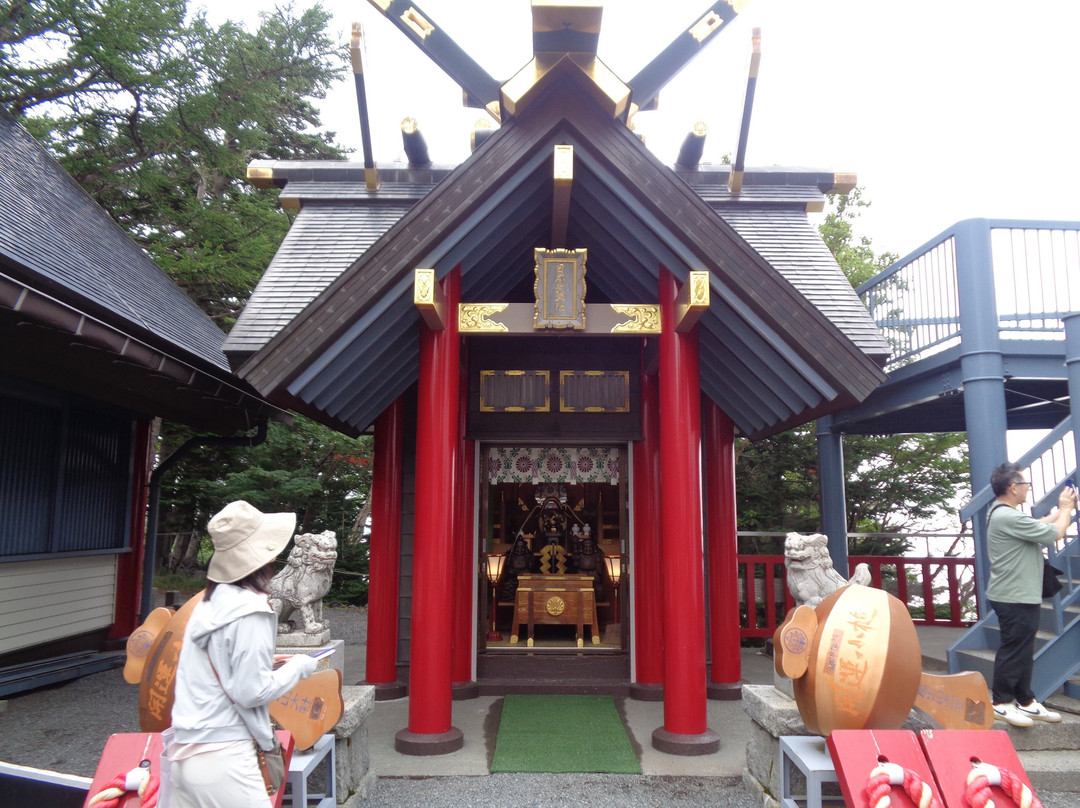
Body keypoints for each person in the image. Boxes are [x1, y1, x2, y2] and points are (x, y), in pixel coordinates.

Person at [169, 501, 319, 807]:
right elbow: (252, 692)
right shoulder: (252, 611)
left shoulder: (208, 604)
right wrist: (300, 666)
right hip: (225, 757)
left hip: (183, 752)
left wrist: (266, 664)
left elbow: (218, 664)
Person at [986, 462, 1076, 727]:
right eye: (1025, 484)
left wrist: (1058, 512)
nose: (1028, 489)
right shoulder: (1007, 516)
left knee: (1023, 648)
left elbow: (1035, 525)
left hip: (1018, 593)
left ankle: (1025, 700)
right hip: (1013, 594)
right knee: (1014, 649)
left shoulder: (1002, 512)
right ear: (1013, 487)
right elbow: (1054, 535)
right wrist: (1067, 510)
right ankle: (1001, 703)